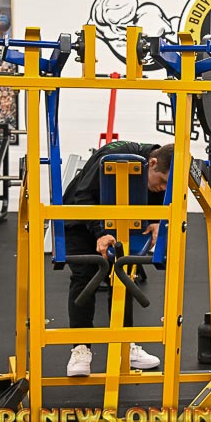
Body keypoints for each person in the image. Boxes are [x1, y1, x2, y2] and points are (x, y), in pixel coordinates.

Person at [65, 141, 173, 377]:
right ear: (152, 163)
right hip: (81, 220)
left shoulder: (157, 167)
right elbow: (83, 197)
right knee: (85, 277)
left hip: (120, 222)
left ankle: (125, 345)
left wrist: (156, 220)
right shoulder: (113, 156)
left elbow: (162, 195)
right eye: (163, 181)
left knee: (124, 277)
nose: (164, 188)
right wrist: (101, 232)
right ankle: (80, 349)